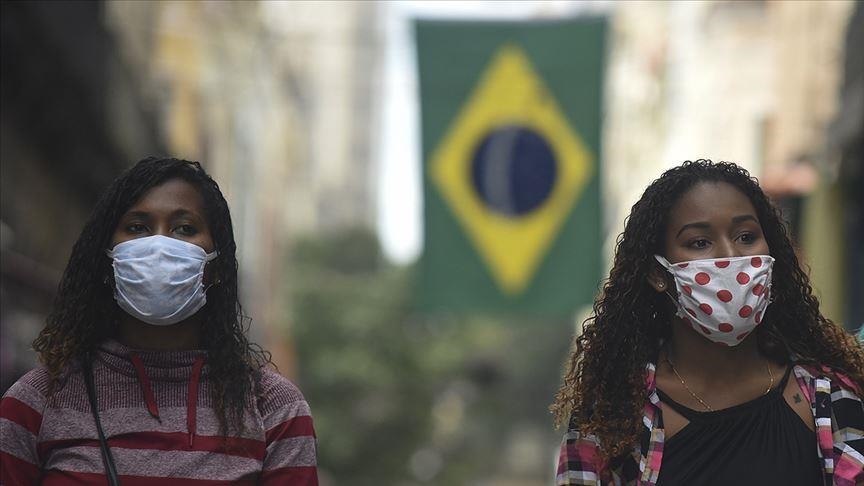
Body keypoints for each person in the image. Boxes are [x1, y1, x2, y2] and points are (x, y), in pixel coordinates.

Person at [0, 157, 318, 485]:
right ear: (107, 259)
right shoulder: (35, 404)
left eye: (185, 228)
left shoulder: (275, 411)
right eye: (137, 227)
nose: (159, 246)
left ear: (216, 266)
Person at [552, 160, 864, 485]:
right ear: (658, 273)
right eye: (699, 242)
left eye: (746, 236)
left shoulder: (831, 399)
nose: (730, 255)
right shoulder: (612, 417)